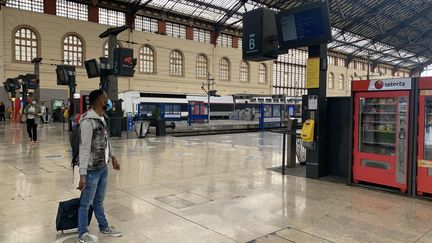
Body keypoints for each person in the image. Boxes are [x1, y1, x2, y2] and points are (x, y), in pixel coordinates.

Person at [77, 90, 122, 243]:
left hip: (103, 168)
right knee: (85, 204)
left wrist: (113, 157)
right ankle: (82, 234)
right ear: (98, 101)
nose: (108, 101)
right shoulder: (88, 122)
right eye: (105, 98)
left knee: (99, 201)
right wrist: (82, 174)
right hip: (91, 171)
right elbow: (84, 149)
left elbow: (106, 141)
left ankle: (104, 227)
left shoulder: (101, 118)